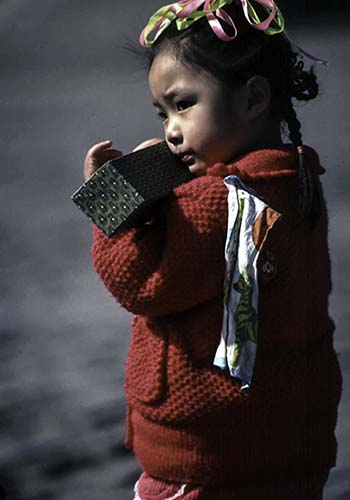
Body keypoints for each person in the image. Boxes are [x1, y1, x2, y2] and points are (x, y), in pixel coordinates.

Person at [83, 1, 342, 498]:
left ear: (253, 99)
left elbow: (143, 282)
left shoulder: (212, 202)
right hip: (289, 447)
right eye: (162, 114)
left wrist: (112, 203)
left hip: (203, 461)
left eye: (183, 105)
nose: (171, 131)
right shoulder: (296, 181)